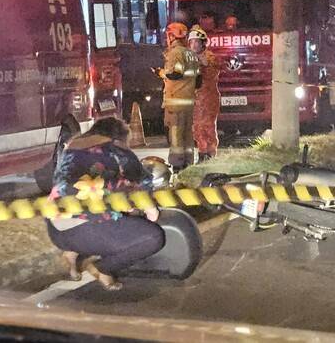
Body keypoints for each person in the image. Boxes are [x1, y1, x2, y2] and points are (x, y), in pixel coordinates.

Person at [46, 117, 164, 291]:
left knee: (108, 213)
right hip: (87, 231)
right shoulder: (118, 151)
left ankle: (71, 254)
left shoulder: (71, 148)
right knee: (153, 237)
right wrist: (151, 211)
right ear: (119, 137)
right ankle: (102, 269)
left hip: (55, 228)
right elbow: (141, 188)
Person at [157, 22, 200, 171]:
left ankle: (177, 164)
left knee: (176, 135)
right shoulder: (191, 54)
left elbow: (175, 73)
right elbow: (198, 80)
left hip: (176, 102)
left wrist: (161, 73)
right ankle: (189, 162)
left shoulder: (176, 53)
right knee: (188, 134)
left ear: (171, 35)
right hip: (189, 102)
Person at [188, 25, 221, 161]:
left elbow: (211, 69)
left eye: (197, 41)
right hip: (195, 99)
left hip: (208, 99)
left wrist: (201, 60)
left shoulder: (209, 57)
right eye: (192, 41)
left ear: (203, 43)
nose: (194, 44)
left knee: (208, 126)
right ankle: (202, 153)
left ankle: (210, 154)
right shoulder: (189, 57)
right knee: (197, 128)